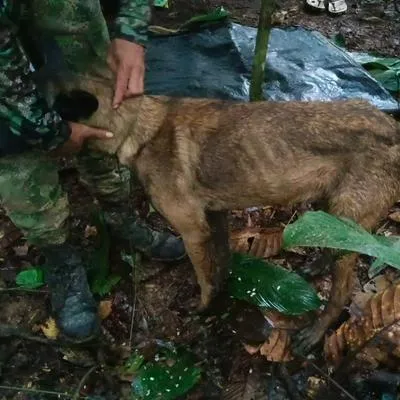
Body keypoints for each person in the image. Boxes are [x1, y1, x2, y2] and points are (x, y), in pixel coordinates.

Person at [0, 0, 186, 342]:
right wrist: (50, 133)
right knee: (16, 158)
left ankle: (120, 216)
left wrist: (131, 30)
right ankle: (59, 254)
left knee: (107, 112)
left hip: (70, 24)